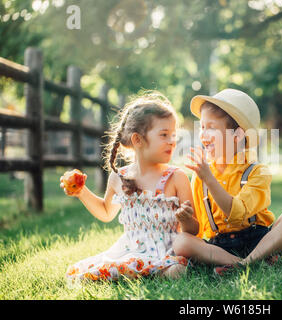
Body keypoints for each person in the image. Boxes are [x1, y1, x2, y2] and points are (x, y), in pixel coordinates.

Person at [62, 91, 198, 281]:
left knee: (177, 271)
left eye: (173, 135)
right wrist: (81, 192)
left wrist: (185, 219)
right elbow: (106, 212)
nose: (172, 141)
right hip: (130, 249)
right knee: (87, 273)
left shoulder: (176, 177)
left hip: (167, 251)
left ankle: (140, 273)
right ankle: (134, 271)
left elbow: (193, 230)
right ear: (137, 140)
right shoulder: (119, 177)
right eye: (164, 135)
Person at [173, 88, 282, 275]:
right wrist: (186, 219)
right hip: (219, 247)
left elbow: (236, 213)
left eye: (211, 127)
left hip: (258, 241)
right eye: (202, 127)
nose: (203, 134)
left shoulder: (257, 172)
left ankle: (245, 264)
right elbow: (196, 230)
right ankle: (246, 262)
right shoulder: (200, 176)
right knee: (181, 241)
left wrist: (209, 179)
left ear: (237, 135)